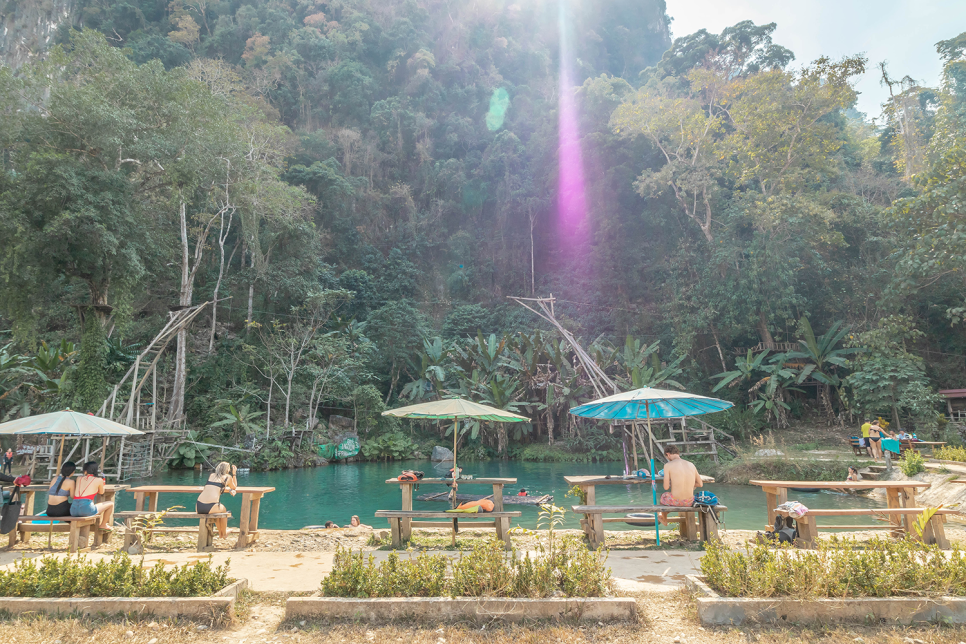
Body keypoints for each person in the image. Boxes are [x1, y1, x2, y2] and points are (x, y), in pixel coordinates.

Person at [658, 444, 703, 526]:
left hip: (676, 501)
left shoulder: (668, 465)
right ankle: (663, 515)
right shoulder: (691, 464)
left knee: (664, 496)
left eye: (667, 457)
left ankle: (663, 518)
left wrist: (673, 484)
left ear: (668, 454)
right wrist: (690, 485)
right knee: (673, 499)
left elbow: (666, 487)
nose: (668, 459)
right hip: (689, 501)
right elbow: (700, 484)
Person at [195, 462, 237, 539]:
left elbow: (215, 486)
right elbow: (234, 487)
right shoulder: (227, 477)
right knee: (223, 510)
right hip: (210, 506)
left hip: (198, 506)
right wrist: (234, 474)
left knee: (218, 511)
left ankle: (221, 533)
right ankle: (223, 533)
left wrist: (226, 489)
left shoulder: (211, 475)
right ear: (227, 470)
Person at [70, 462, 115, 529]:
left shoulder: (79, 478)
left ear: (85, 470)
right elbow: (101, 492)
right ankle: (103, 524)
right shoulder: (98, 480)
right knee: (111, 504)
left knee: (90, 501)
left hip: (73, 510)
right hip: (86, 510)